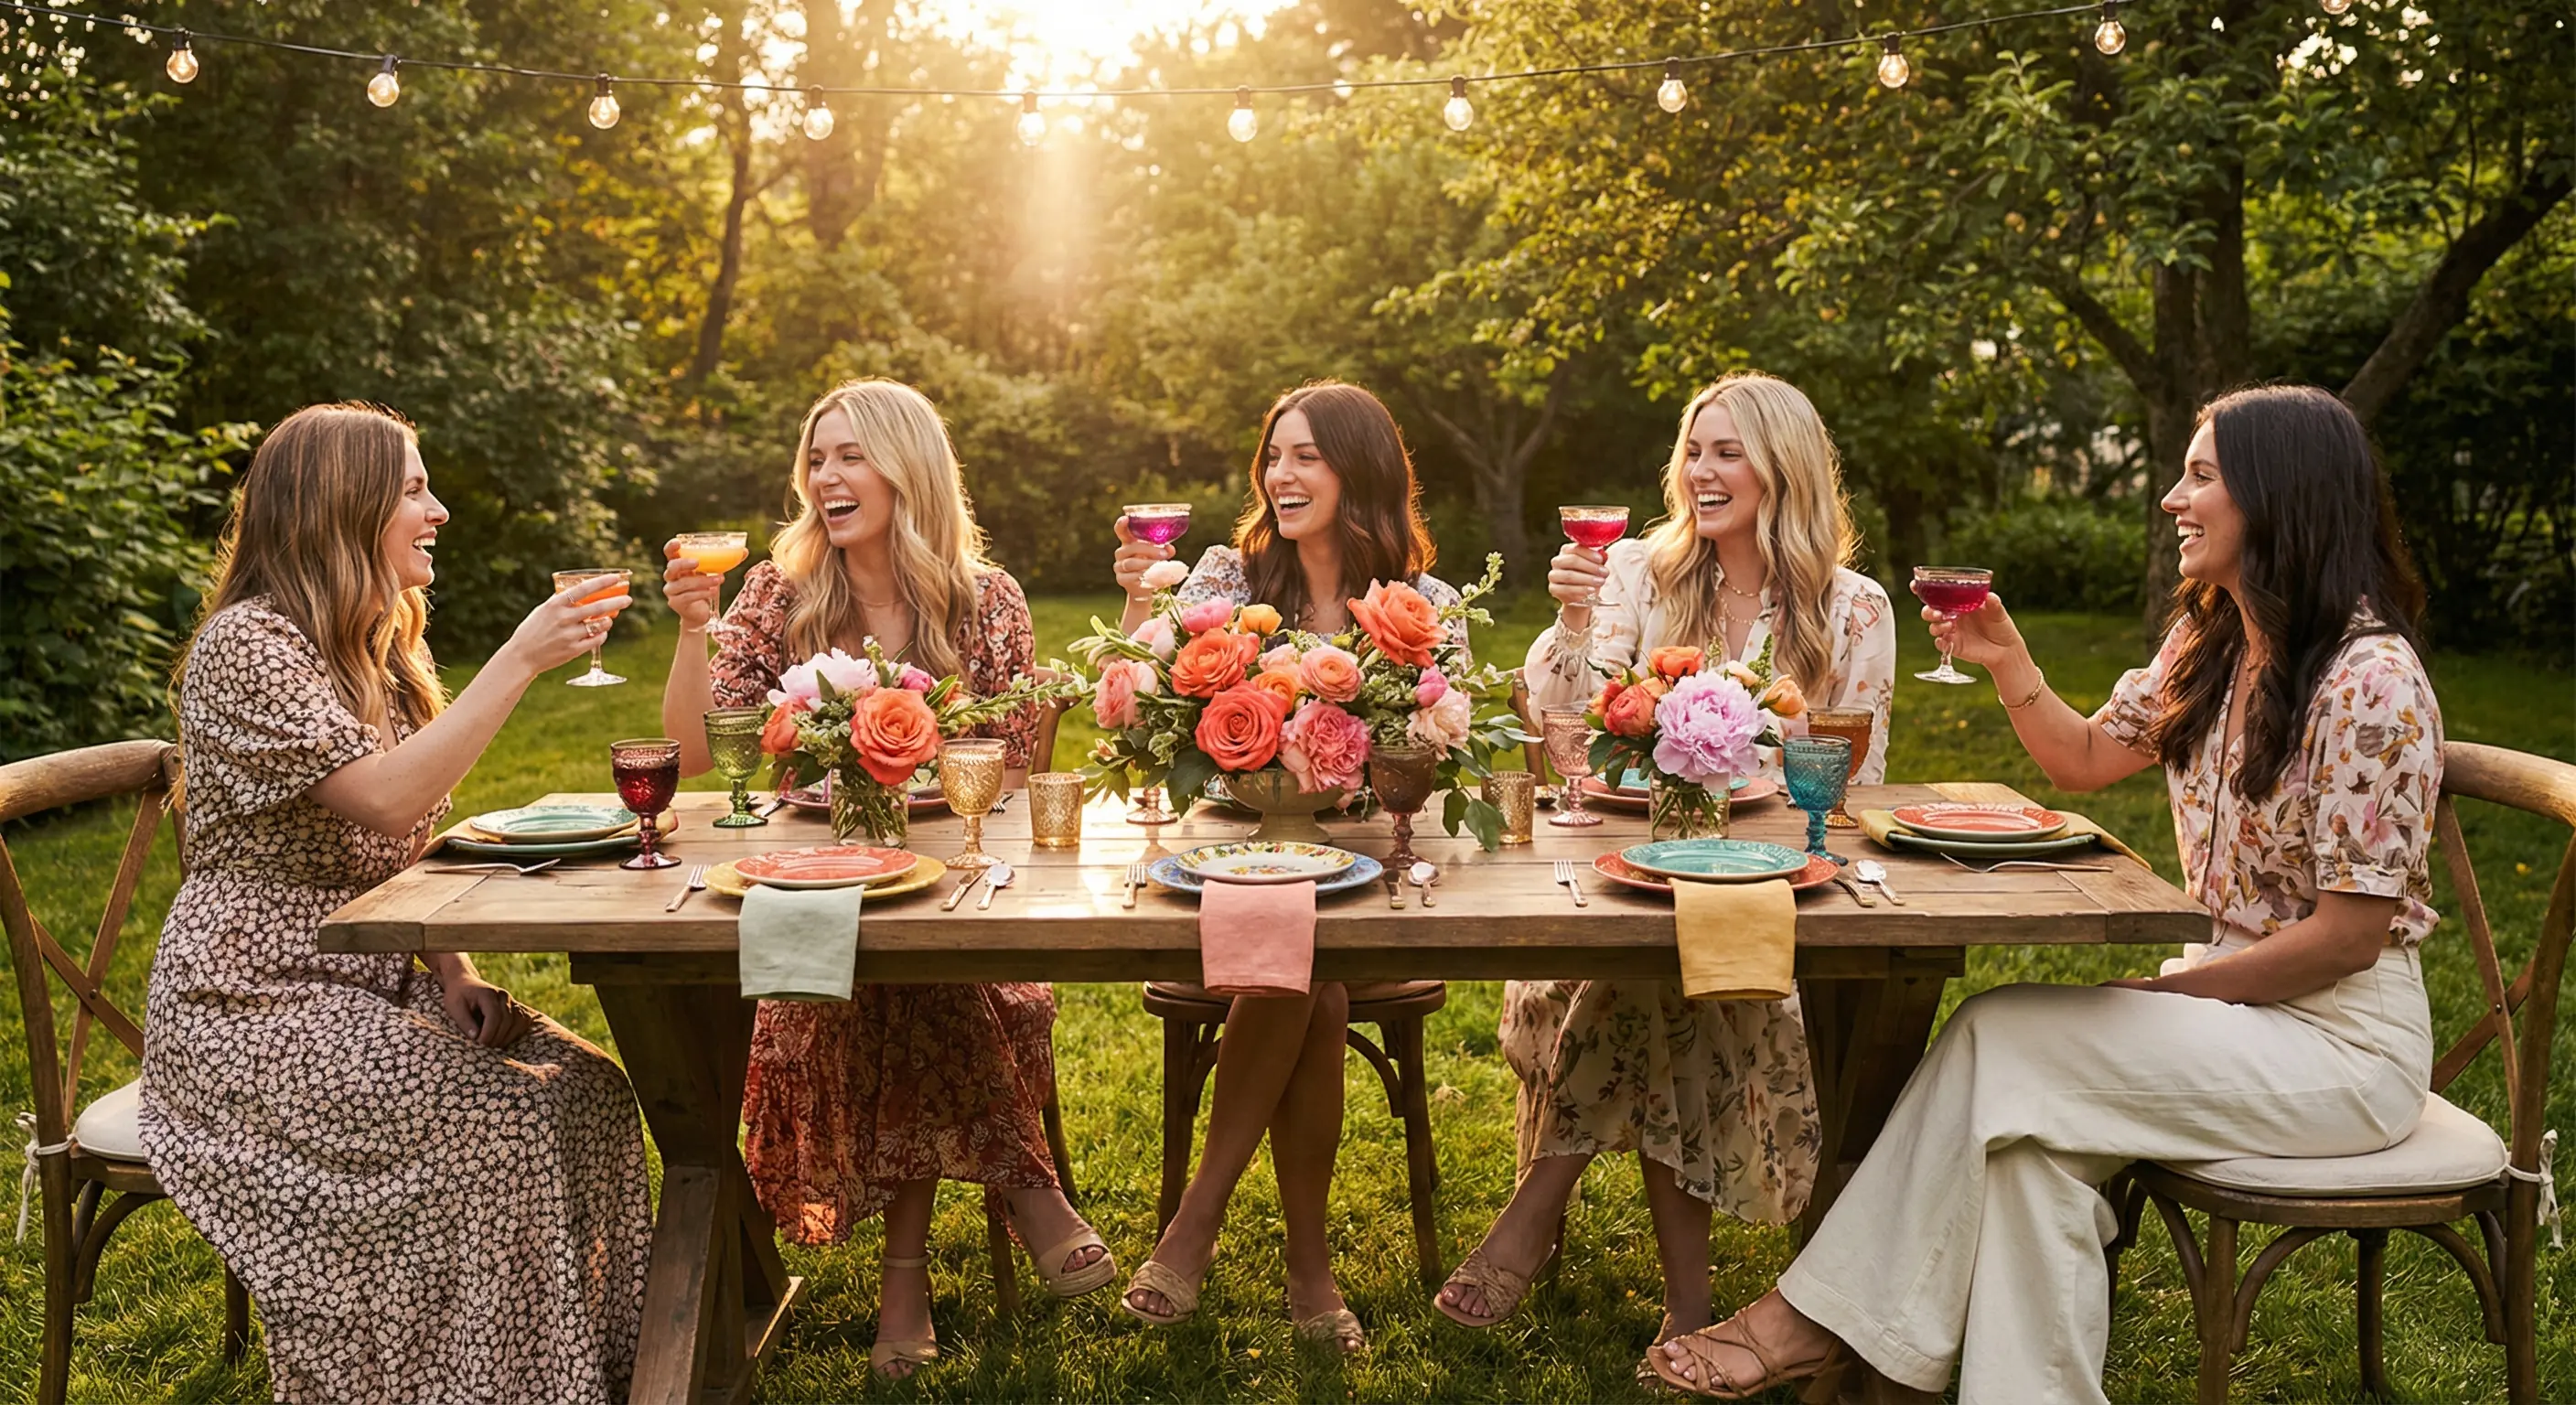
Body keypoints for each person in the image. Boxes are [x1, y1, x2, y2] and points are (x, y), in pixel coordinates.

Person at [1649, 384, 2443, 1402]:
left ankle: (1803, 1324)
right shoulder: (2212, 645)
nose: (2170, 498)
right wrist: (2009, 660)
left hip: (2340, 1047)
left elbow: (2345, 940)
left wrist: (2158, 998)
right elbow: (2077, 760)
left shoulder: (2367, 678)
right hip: (2242, 1014)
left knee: (1997, 1032)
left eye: (2199, 476)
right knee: (2027, 1166)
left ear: (2277, 496)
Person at [139, 402, 652, 1404]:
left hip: (367, 982)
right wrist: (520, 658)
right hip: (250, 1014)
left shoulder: (376, 644)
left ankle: (595, 1374)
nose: (440, 510)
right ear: (344, 504)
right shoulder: (248, 647)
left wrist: (451, 967)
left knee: (591, 1093)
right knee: (499, 1125)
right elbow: (387, 796)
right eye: (415, 489)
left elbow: (396, 848)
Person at [658, 378, 1108, 1380]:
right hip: (806, 885)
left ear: (908, 468)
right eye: (816, 459)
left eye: (850, 456)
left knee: (908, 968)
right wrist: (694, 627)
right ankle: (1025, 1199)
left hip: (952, 890)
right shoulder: (777, 593)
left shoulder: (985, 600)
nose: (827, 477)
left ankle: (903, 1281)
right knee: (884, 968)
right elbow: (693, 755)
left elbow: (1020, 773)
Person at [1437, 372, 1895, 1346]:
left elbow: (1853, 775)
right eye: (1693, 450)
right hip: (1629, 869)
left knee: (1665, 972)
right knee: (1664, 964)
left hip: (1772, 882)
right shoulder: (1642, 573)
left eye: (1727, 452)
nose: (1701, 471)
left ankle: (1532, 1217)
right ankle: (1686, 1311)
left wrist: (1760, 757)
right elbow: (1561, 718)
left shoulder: (1851, 608)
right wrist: (1569, 622)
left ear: (1783, 468)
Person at [1108, 380, 1463, 1355]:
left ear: (1362, 471)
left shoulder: (1424, 608)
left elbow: (1439, 751)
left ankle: (1196, 1225)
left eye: (1305, 455)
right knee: (1308, 972)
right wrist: (1140, 604)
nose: (1281, 474)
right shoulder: (1226, 574)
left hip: (1369, 880)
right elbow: (1150, 700)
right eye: (1274, 454)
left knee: (1313, 968)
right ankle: (1306, 1270)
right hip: (1226, 868)